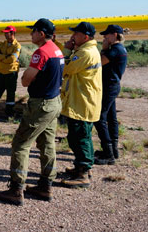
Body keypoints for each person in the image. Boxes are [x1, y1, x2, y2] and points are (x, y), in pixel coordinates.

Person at [0, 18, 63, 206]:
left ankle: (16, 189)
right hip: (54, 102)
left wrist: (28, 78)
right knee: (47, 144)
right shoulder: (56, 50)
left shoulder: (41, 52)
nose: (31, 34)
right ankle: (46, 185)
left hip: (40, 105)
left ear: (41, 33)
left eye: (33, 31)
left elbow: (25, 80)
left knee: (20, 144)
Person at [60, 21, 102, 189]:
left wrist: (66, 50)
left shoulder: (85, 53)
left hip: (82, 103)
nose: (72, 37)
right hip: (81, 101)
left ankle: (83, 173)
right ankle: (82, 167)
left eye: (75, 34)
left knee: (80, 137)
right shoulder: (86, 50)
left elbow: (64, 68)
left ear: (85, 37)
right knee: (79, 136)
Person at [94, 25, 127, 165]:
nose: (104, 37)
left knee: (99, 117)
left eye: (107, 35)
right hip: (111, 86)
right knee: (111, 117)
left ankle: (108, 153)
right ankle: (113, 150)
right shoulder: (119, 49)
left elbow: (99, 62)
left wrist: (103, 48)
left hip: (109, 87)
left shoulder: (115, 50)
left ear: (114, 35)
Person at [0, 25, 21, 120]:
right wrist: (6, 57)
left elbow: (13, 58)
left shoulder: (17, 45)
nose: (5, 35)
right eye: (5, 33)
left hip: (12, 73)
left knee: (10, 94)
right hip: (1, 73)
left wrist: (2, 58)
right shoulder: (2, 44)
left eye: (7, 33)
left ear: (12, 33)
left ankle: (9, 114)